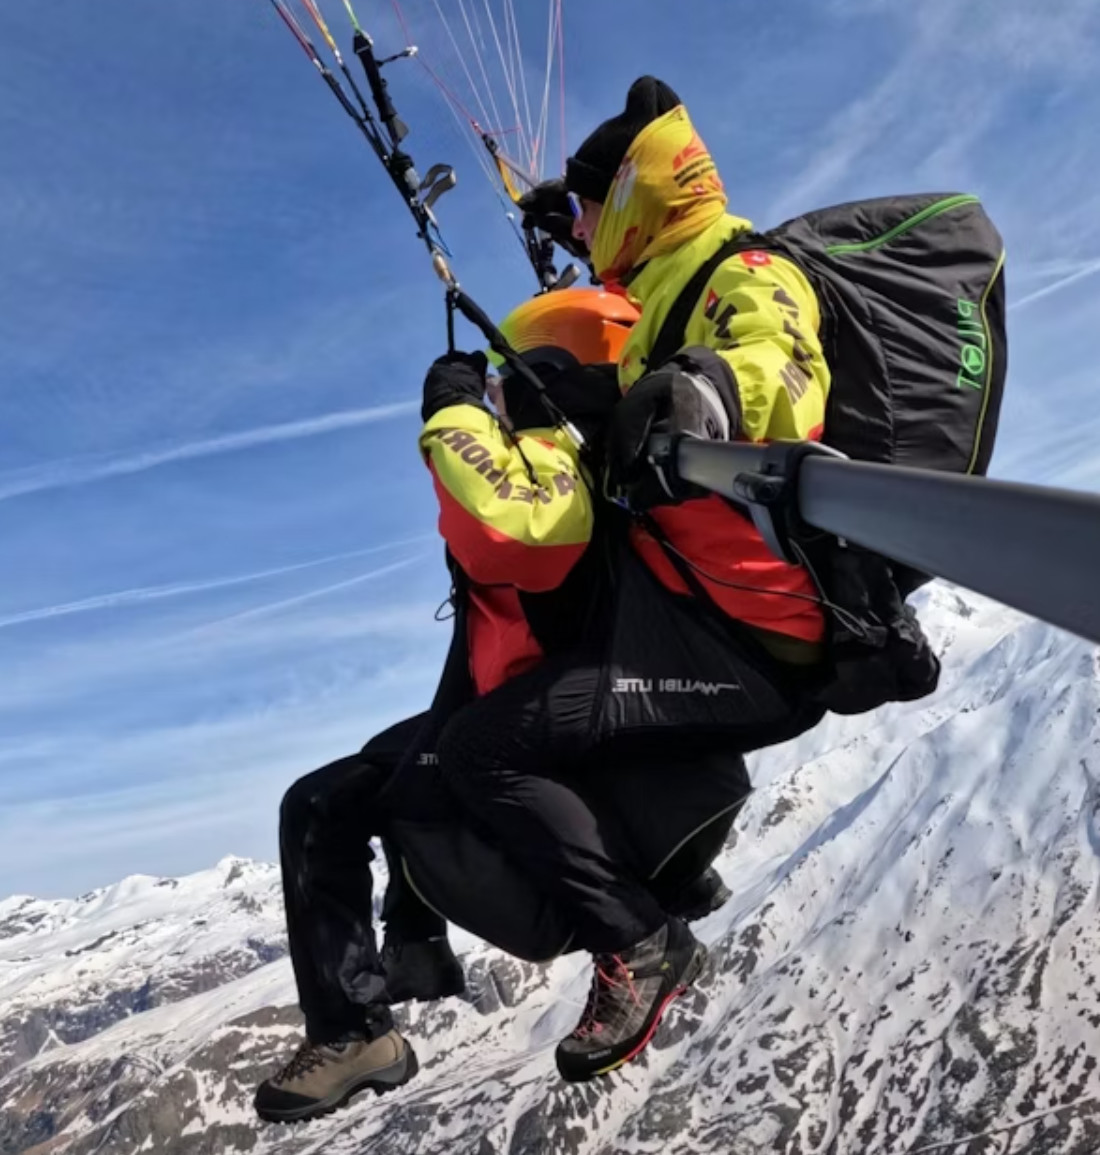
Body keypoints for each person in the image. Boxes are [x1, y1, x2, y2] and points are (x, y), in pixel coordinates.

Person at [253, 290, 751, 1123]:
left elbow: (523, 536)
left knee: (433, 766)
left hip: (571, 716)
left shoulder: (567, 453)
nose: (491, 403)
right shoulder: (558, 451)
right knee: (322, 799)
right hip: (534, 701)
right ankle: (355, 1026)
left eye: (501, 388)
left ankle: (631, 932)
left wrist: (451, 412)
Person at [430, 78, 835, 1084]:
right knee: (512, 713)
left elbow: (784, 364)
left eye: (587, 206)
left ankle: (643, 937)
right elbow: (633, 350)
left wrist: (698, 390)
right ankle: (668, 883)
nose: (580, 229)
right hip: (699, 610)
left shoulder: (745, 268)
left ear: (635, 198)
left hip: (748, 628)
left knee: (488, 746)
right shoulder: (663, 276)